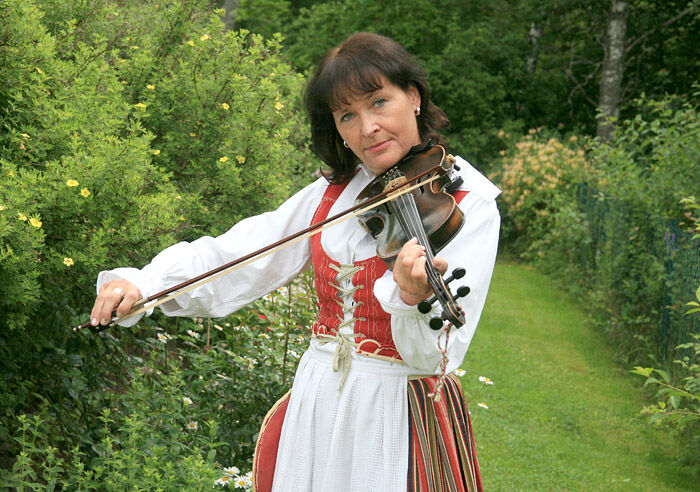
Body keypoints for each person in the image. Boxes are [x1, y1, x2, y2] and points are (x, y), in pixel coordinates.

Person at [90, 32, 500, 492]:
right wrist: (146, 284)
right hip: (319, 398)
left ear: (414, 97)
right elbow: (240, 253)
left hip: (396, 410)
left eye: (379, 102)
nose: (368, 128)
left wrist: (410, 296)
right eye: (348, 115)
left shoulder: (470, 203)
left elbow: (434, 356)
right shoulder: (337, 192)